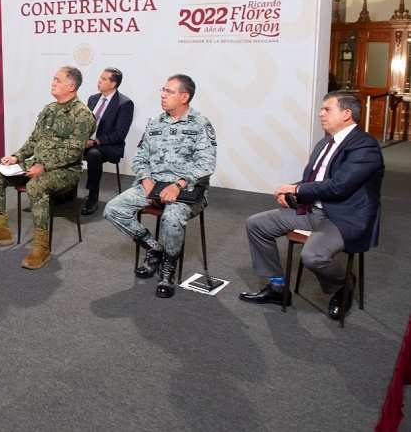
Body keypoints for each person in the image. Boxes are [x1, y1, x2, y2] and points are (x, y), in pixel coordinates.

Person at [240, 91, 384, 321]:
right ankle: (277, 287)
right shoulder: (324, 143)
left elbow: (340, 187)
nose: (320, 114)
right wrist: (292, 191)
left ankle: (344, 283)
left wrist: (296, 189)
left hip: (343, 218)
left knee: (313, 256)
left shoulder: (365, 147)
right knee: (257, 224)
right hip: (312, 211)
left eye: (327, 109)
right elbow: (313, 181)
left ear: (346, 114)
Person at [103, 74, 217, 297]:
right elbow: (140, 158)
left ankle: (168, 268)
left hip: (187, 190)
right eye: (162, 90)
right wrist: (147, 182)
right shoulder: (155, 123)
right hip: (153, 185)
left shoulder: (200, 124)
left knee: (172, 218)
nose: (163, 95)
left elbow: (206, 164)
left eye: (169, 92)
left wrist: (178, 185)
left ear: (184, 97)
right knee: (113, 209)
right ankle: (154, 249)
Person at [0, 66, 95, 270]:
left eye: (58, 80)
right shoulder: (49, 109)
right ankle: (2, 230)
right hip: (37, 164)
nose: (53, 83)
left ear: (71, 86)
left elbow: (74, 153)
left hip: (66, 170)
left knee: (36, 185)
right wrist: (16, 157)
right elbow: (33, 140)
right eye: (53, 79)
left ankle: (42, 247)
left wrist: (45, 167)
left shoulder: (82, 115)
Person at [82, 67, 134, 215]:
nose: (99, 81)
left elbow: (119, 135)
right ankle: (65, 192)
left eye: (103, 79)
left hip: (109, 145)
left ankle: (93, 196)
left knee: (93, 153)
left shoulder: (124, 103)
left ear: (113, 84)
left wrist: (94, 142)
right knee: (67, 147)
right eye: (100, 77)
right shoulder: (93, 99)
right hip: (89, 142)